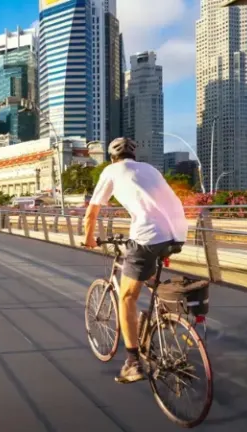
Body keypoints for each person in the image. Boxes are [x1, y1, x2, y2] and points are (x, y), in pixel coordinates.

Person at [82, 137, 189, 384]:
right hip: (177, 234)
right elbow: (151, 206)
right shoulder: (149, 170)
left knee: (126, 297)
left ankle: (131, 363)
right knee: (145, 267)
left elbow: (92, 211)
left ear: (112, 157)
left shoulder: (111, 171)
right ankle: (160, 316)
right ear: (134, 156)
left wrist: (89, 238)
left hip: (149, 238)